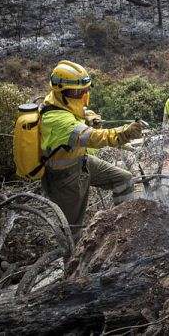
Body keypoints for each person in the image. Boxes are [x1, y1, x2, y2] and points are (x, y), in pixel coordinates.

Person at [40, 61, 144, 240]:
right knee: (73, 233)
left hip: (81, 162)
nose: (82, 95)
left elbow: (81, 111)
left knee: (124, 179)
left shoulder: (60, 102)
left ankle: (123, 231)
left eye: (84, 91)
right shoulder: (55, 120)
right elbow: (92, 138)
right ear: (61, 91)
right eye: (78, 91)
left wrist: (91, 116)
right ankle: (71, 264)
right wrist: (123, 134)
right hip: (64, 179)